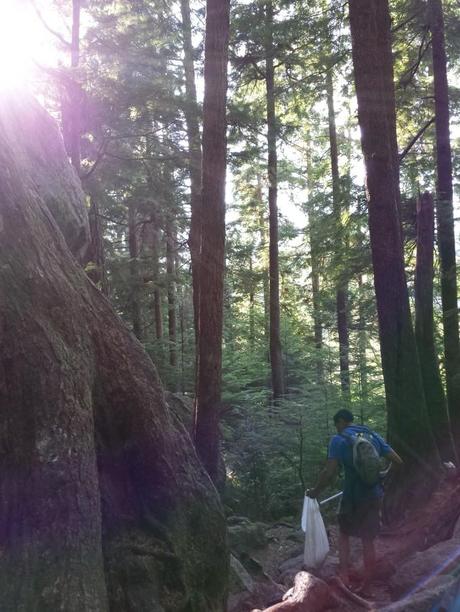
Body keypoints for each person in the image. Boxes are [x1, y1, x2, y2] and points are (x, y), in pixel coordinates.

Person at [306, 409, 403, 592]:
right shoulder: (371, 435)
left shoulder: (339, 439)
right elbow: (398, 461)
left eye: (337, 425)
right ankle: (367, 586)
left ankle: (344, 578)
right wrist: (383, 476)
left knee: (344, 535)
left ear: (341, 421)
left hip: (351, 497)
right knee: (368, 541)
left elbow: (329, 472)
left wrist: (316, 491)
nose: (337, 429)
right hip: (373, 496)